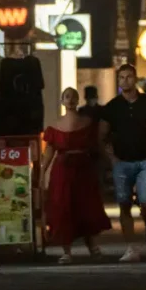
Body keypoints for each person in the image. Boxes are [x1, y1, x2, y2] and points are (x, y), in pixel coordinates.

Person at [100, 64, 146, 263]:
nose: (125, 81)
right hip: (122, 162)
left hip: (145, 161)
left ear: (135, 78)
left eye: (129, 77)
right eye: (121, 77)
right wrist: (111, 159)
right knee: (124, 205)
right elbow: (101, 136)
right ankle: (131, 247)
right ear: (118, 81)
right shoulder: (113, 107)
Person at [42, 88, 111, 264]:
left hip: (84, 170)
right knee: (63, 207)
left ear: (78, 99)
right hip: (63, 172)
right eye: (67, 97)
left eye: (73, 97)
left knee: (86, 206)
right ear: (62, 101)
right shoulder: (55, 127)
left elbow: (99, 146)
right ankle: (67, 251)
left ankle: (93, 247)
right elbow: (49, 154)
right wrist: (41, 173)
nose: (70, 100)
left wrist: (111, 163)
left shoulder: (88, 123)